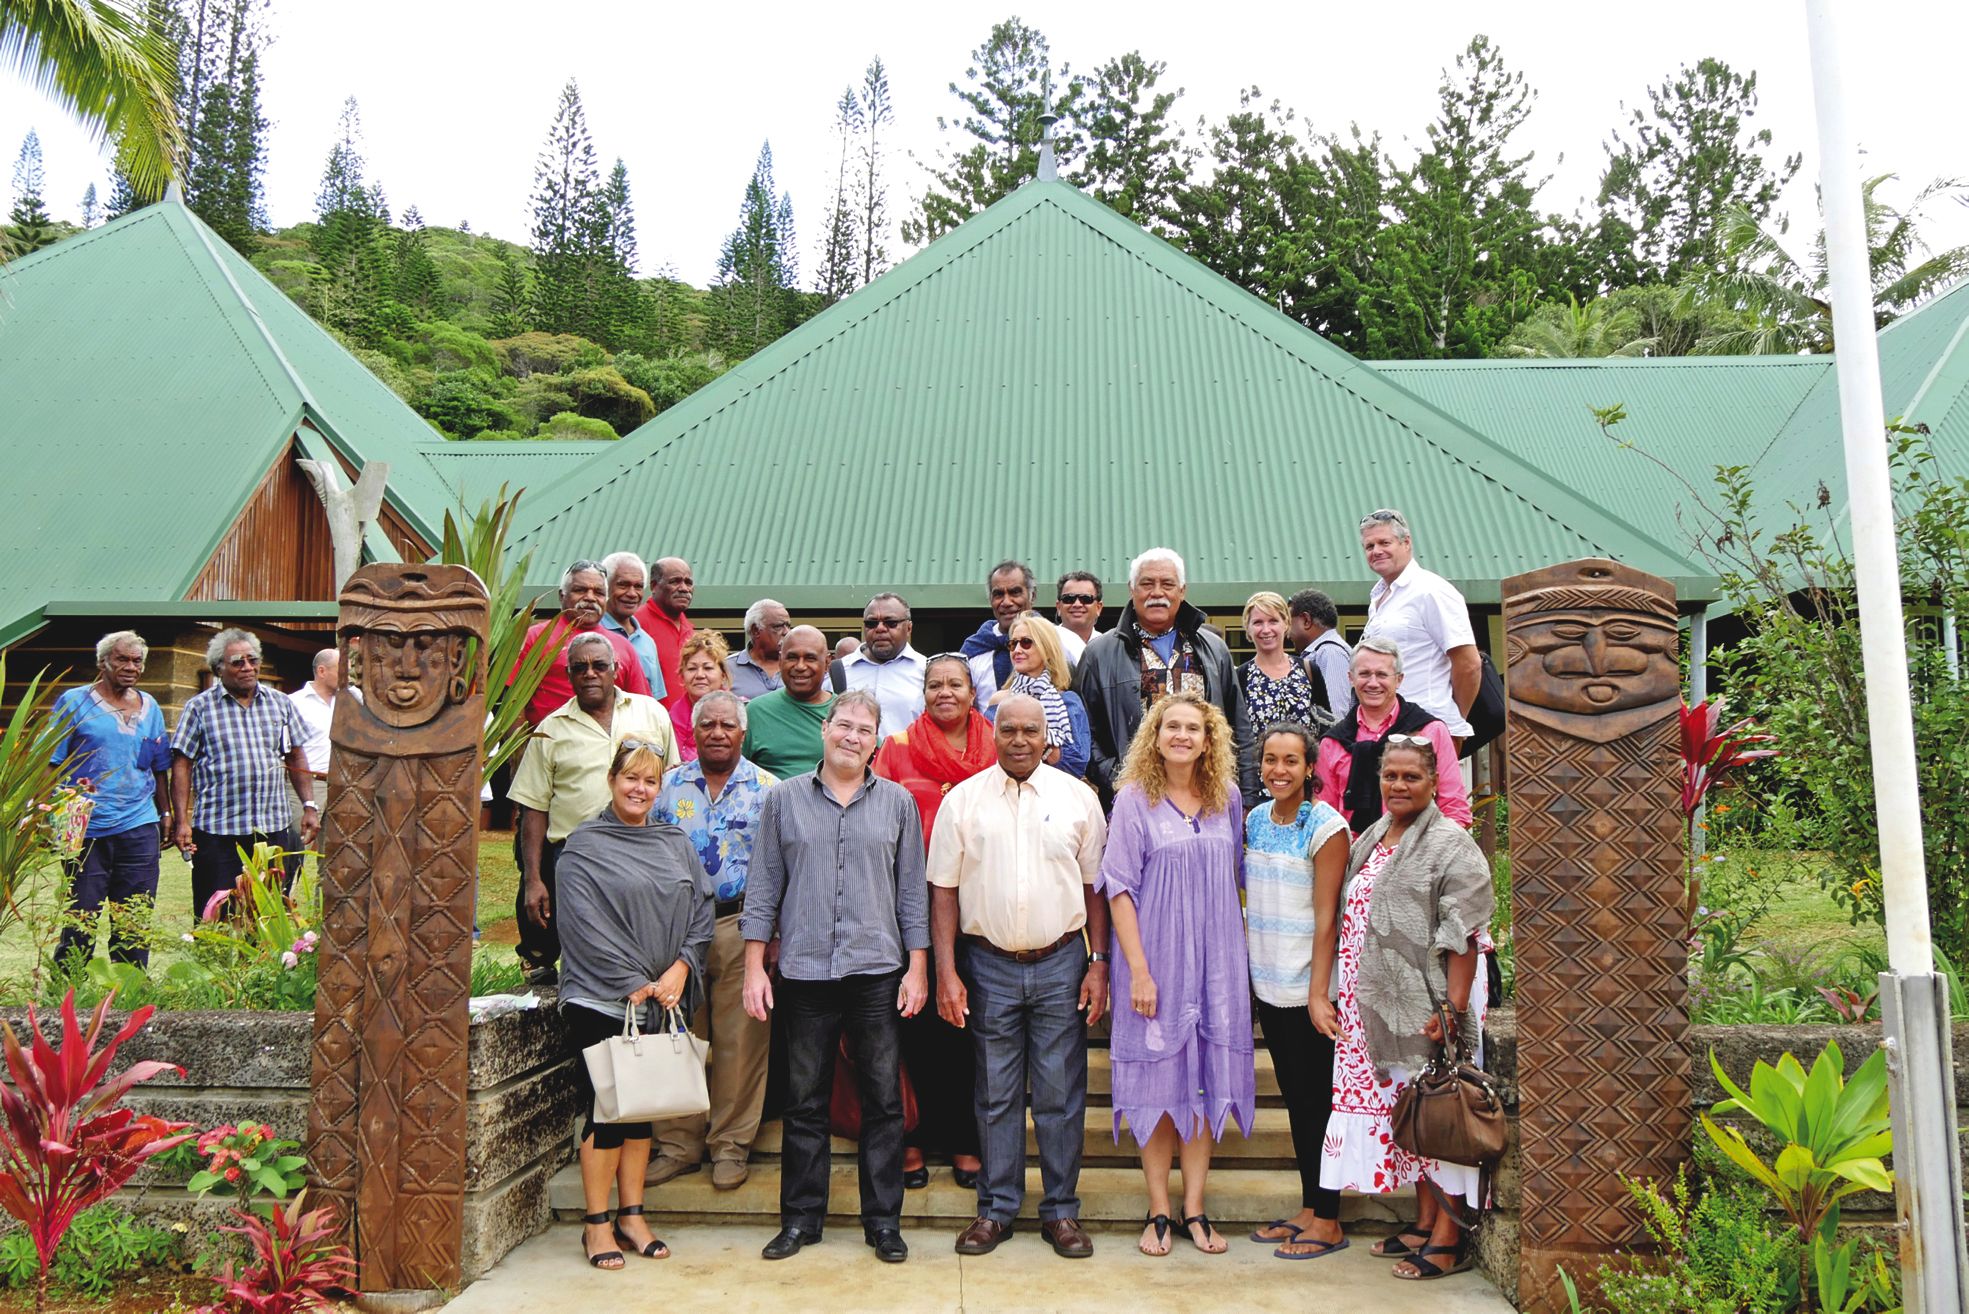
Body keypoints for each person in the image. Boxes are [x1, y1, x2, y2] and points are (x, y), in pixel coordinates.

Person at [741, 691, 929, 1265]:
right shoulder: (784, 801)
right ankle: (800, 1220)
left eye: (864, 728)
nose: (852, 736)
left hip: (876, 970)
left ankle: (883, 1223)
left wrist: (918, 966)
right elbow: (765, 884)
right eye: (843, 725)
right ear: (825, 730)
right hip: (804, 969)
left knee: (882, 1101)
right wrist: (754, 967)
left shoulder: (897, 804)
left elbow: (912, 892)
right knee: (804, 1101)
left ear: (876, 739)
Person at [930, 694, 1109, 1260]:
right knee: (994, 1094)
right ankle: (996, 1209)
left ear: (1046, 736)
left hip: (1061, 963)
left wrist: (1098, 963)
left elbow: (1095, 890)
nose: (1019, 740)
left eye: (1031, 730)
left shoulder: (1079, 798)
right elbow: (943, 891)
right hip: (987, 965)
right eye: (1008, 729)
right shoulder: (963, 802)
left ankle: (1060, 1212)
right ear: (994, 733)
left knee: (1059, 1095)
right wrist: (945, 971)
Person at [1319, 737, 1493, 1281]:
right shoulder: (1375, 834)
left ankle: (1449, 1237)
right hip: (1376, 1006)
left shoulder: (1450, 843)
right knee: (1411, 1110)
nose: (1398, 785)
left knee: (1438, 1113)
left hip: (1427, 1000)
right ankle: (1423, 1221)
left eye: (1410, 777)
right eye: (1390, 776)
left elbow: (1464, 931)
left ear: (1433, 781)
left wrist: (1452, 1007)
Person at [1097, 691, 1253, 1257]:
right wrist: (1137, 971)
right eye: (1172, 727)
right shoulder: (1135, 799)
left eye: (1194, 728)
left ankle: (1196, 1208)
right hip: (1155, 962)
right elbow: (1119, 889)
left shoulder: (1227, 799)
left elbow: (1236, 876)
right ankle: (1159, 1209)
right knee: (1159, 1087)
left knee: (1206, 1080)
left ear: (1209, 739)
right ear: (1155, 737)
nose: (1182, 735)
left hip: (1217, 964)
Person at [556, 740, 715, 1270]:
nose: (640, 789)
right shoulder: (583, 847)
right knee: (608, 1111)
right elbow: (581, 924)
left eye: (650, 781)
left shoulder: (674, 842)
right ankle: (596, 1224)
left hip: (664, 995)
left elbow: (701, 908)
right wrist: (634, 981)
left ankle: (632, 1214)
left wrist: (681, 967)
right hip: (602, 998)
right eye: (630, 779)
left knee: (640, 1111)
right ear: (611, 780)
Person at [871, 654, 996, 1196]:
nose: (944, 692)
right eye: (934, 684)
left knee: (970, 1033)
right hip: (911, 910)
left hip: (984, 912)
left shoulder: (998, 746)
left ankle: (966, 1138)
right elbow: (875, 821)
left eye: (955, 684)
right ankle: (914, 1135)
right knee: (914, 1032)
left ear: (973, 692)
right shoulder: (896, 750)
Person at [650, 691, 778, 1191]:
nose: (718, 732)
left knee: (740, 1041)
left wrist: (772, 937)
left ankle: (729, 1147)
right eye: (709, 725)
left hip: (739, 924)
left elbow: (779, 869)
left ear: (743, 734)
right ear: (694, 731)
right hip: (675, 927)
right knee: (676, 1033)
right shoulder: (664, 789)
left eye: (728, 725)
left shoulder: (769, 790)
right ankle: (678, 1144)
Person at [509, 634, 678, 985]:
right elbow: (534, 809)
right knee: (579, 951)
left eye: (599, 666)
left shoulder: (651, 713)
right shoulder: (550, 730)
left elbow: (673, 782)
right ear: (568, 674)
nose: (590, 674)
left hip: (642, 850)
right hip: (575, 856)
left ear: (615, 670)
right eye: (579, 668)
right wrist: (534, 878)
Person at [1242, 722, 1351, 1259]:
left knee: (1318, 1105)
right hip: (1268, 982)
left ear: (1311, 768)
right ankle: (1309, 1208)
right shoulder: (1256, 820)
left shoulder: (1326, 827)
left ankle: (1328, 1219)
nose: (1278, 770)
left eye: (1290, 761)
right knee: (1295, 1100)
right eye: (1270, 760)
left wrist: (1317, 994)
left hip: (1309, 989)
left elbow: (1328, 918)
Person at [1072, 548, 1255, 804]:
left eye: (1167, 584)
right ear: (1132, 589)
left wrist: (1246, 798)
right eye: (1147, 584)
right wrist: (1118, 777)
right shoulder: (1099, 654)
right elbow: (1083, 730)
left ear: (1182, 591)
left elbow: (1239, 728)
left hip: (1207, 794)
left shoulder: (1214, 650)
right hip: (1135, 796)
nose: (1157, 593)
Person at [170, 629, 317, 916]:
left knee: (268, 913)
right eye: (238, 662)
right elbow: (182, 763)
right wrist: (181, 821)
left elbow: (295, 753)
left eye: (253, 660)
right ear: (219, 669)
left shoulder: (280, 703)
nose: (248, 667)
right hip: (217, 831)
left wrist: (309, 805)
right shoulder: (199, 708)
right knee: (215, 914)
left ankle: (263, 962)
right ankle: (213, 962)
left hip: (271, 827)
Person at [50, 631, 171, 967]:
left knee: (134, 914)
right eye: (122, 659)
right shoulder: (74, 702)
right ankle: (68, 989)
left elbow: (159, 766)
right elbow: (51, 762)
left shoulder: (151, 707)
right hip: (86, 826)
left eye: (137, 661)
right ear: (103, 662)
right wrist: (45, 814)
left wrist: (166, 814)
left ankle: (128, 992)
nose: (130, 666)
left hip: (139, 824)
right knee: (82, 916)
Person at [1314, 638, 1470, 833]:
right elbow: (1323, 818)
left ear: (1399, 679)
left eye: (1382, 674)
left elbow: (1454, 808)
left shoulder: (1431, 731)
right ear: (1351, 678)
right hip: (1351, 855)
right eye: (1364, 674)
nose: (1373, 683)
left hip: (1418, 852)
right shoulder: (1331, 743)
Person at [1358, 509, 1479, 746]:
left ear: (1406, 543)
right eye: (1369, 546)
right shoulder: (1378, 596)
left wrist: (1449, 720)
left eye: (1384, 542)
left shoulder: (1431, 591)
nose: (1376, 551)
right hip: (1389, 728)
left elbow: (1469, 664)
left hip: (1426, 729)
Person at [515, 561, 652, 727]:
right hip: (550, 746)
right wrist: (521, 751)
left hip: (610, 746)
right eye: (580, 590)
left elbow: (640, 705)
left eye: (599, 592)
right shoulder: (535, 638)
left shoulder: (623, 646)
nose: (590, 597)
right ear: (562, 596)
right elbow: (512, 703)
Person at [986, 613, 1089, 778]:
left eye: (1026, 643)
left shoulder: (1067, 702)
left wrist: (1046, 748)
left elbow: (1078, 765)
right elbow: (988, 754)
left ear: (1047, 649)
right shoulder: (999, 700)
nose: (1017, 650)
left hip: (1054, 793)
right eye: (1013, 644)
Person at [740, 625, 833, 779]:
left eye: (810, 658)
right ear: (780, 660)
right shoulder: (755, 712)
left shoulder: (846, 712)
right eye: (792, 657)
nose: (800, 666)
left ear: (827, 663)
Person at [838, 594, 927, 739]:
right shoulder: (840, 671)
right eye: (871, 623)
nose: (880, 629)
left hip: (907, 761)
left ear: (909, 628)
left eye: (890, 622)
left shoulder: (926, 671)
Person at [1237, 593, 1323, 734]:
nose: (1266, 630)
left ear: (1286, 623)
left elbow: (1326, 724)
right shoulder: (1241, 677)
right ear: (1248, 628)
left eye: (1273, 621)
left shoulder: (1308, 670)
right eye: (1258, 622)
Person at [960, 560, 1036, 708]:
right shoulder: (973, 653)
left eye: (1015, 592)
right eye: (999, 594)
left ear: (1032, 596)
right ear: (990, 600)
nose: (1006, 602)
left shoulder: (1057, 642)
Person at [286, 649, 351, 818]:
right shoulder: (294, 703)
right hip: (307, 785)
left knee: (334, 843)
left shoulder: (350, 701)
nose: (347, 676)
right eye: (342, 670)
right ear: (322, 671)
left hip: (342, 785)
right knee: (303, 842)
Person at [599, 551, 668, 701]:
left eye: (638, 586)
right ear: (605, 586)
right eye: (623, 585)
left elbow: (655, 699)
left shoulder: (647, 642)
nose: (632, 593)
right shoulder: (591, 635)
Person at [635, 556, 696, 710]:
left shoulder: (689, 629)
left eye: (688, 582)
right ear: (654, 586)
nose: (684, 588)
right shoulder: (636, 625)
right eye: (675, 581)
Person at [668, 630, 732, 764]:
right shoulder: (669, 718)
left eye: (708, 668)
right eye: (692, 669)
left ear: (723, 675)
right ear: (682, 675)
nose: (700, 675)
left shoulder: (738, 713)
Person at [1288, 588, 1353, 719]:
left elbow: (1335, 716)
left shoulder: (1330, 653)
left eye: (1288, 622)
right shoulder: (1321, 652)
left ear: (1306, 620)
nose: (1286, 633)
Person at [727, 599, 789, 701]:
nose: (787, 632)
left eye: (788, 626)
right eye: (778, 626)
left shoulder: (798, 666)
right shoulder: (726, 668)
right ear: (755, 630)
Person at [1053, 571, 1104, 652]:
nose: (1077, 604)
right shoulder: (1043, 642)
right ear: (1058, 607)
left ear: (1098, 608)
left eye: (1086, 599)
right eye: (1069, 598)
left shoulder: (1108, 646)